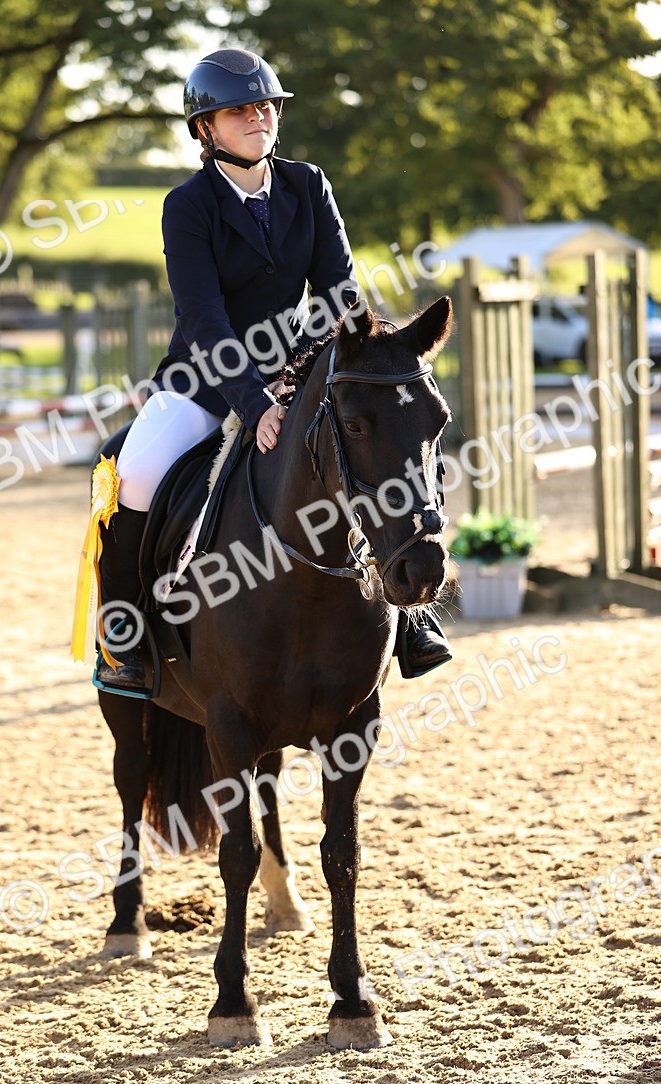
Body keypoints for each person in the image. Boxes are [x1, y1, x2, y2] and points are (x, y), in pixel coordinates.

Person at [83, 48, 451, 691]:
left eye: (265, 107)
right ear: (206, 128)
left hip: (298, 370)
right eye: (239, 110)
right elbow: (203, 315)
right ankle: (125, 639)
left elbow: (339, 293)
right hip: (203, 378)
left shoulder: (309, 184)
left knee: (378, 450)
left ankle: (413, 614)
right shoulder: (187, 204)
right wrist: (256, 405)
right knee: (134, 474)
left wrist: (315, 370)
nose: (258, 118)